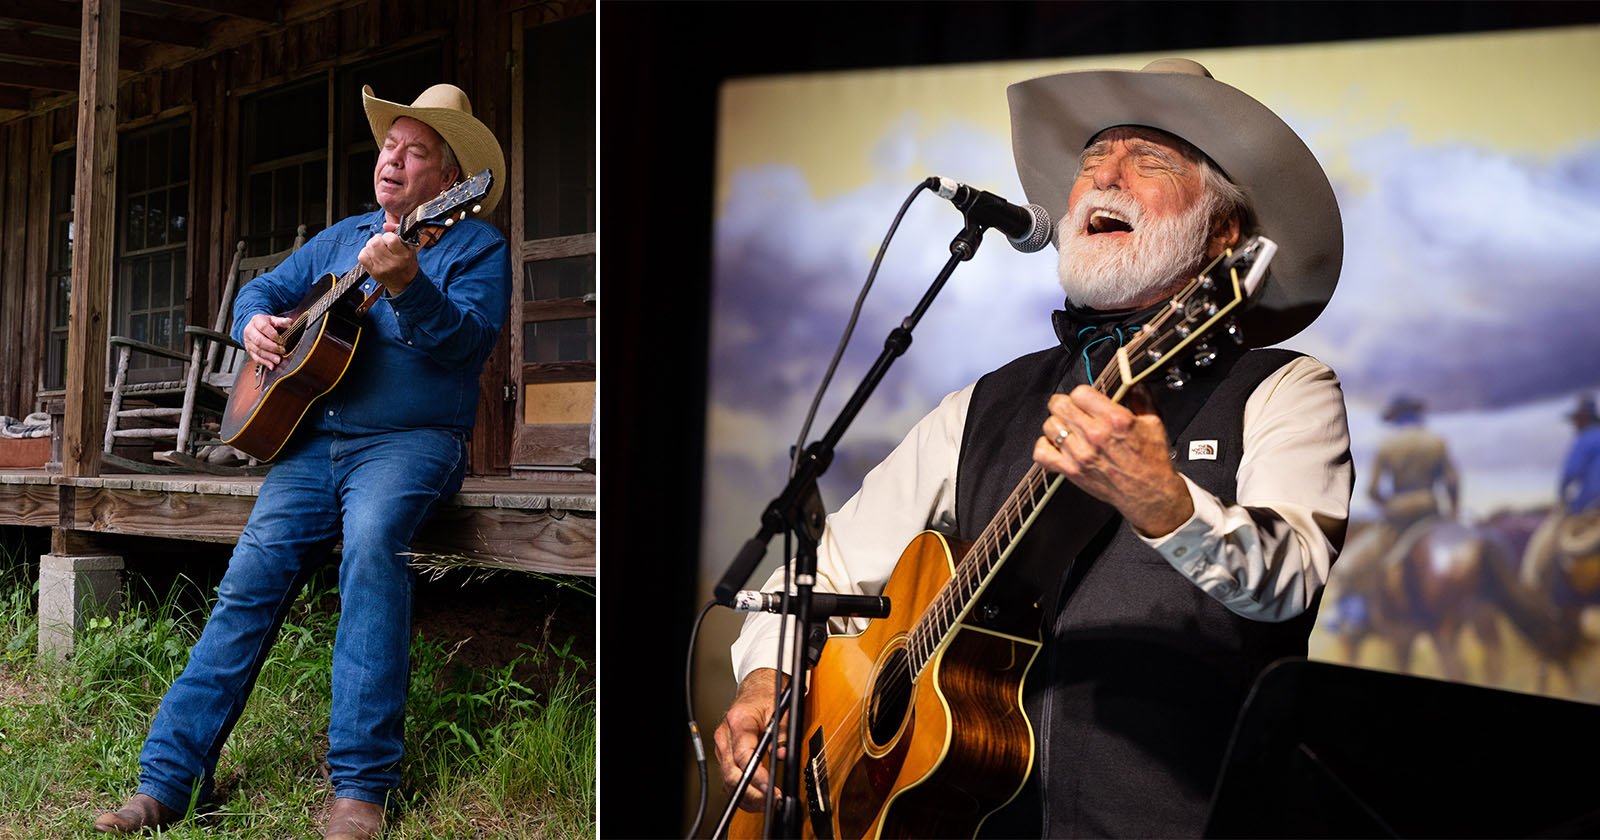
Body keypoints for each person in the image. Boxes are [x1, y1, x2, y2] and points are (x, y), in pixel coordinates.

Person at [713, 58, 1353, 838]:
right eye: (1091, 161)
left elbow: (1289, 582)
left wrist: (1168, 508)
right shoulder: (980, 406)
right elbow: (824, 573)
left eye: (1148, 159)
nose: (1103, 177)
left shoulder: (1284, 388)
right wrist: (767, 680)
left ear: (1224, 233)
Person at [94, 83, 509, 840]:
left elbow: (469, 344)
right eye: (391, 144)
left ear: (450, 182)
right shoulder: (340, 235)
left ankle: (360, 789)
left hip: (412, 442)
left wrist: (408, 286)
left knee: (373, 550)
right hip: (311, 441)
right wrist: (254, 321)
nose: (393, 158)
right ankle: (168, 781)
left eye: (417, 152)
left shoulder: (476, 245)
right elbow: (265, 288)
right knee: (247, 584)